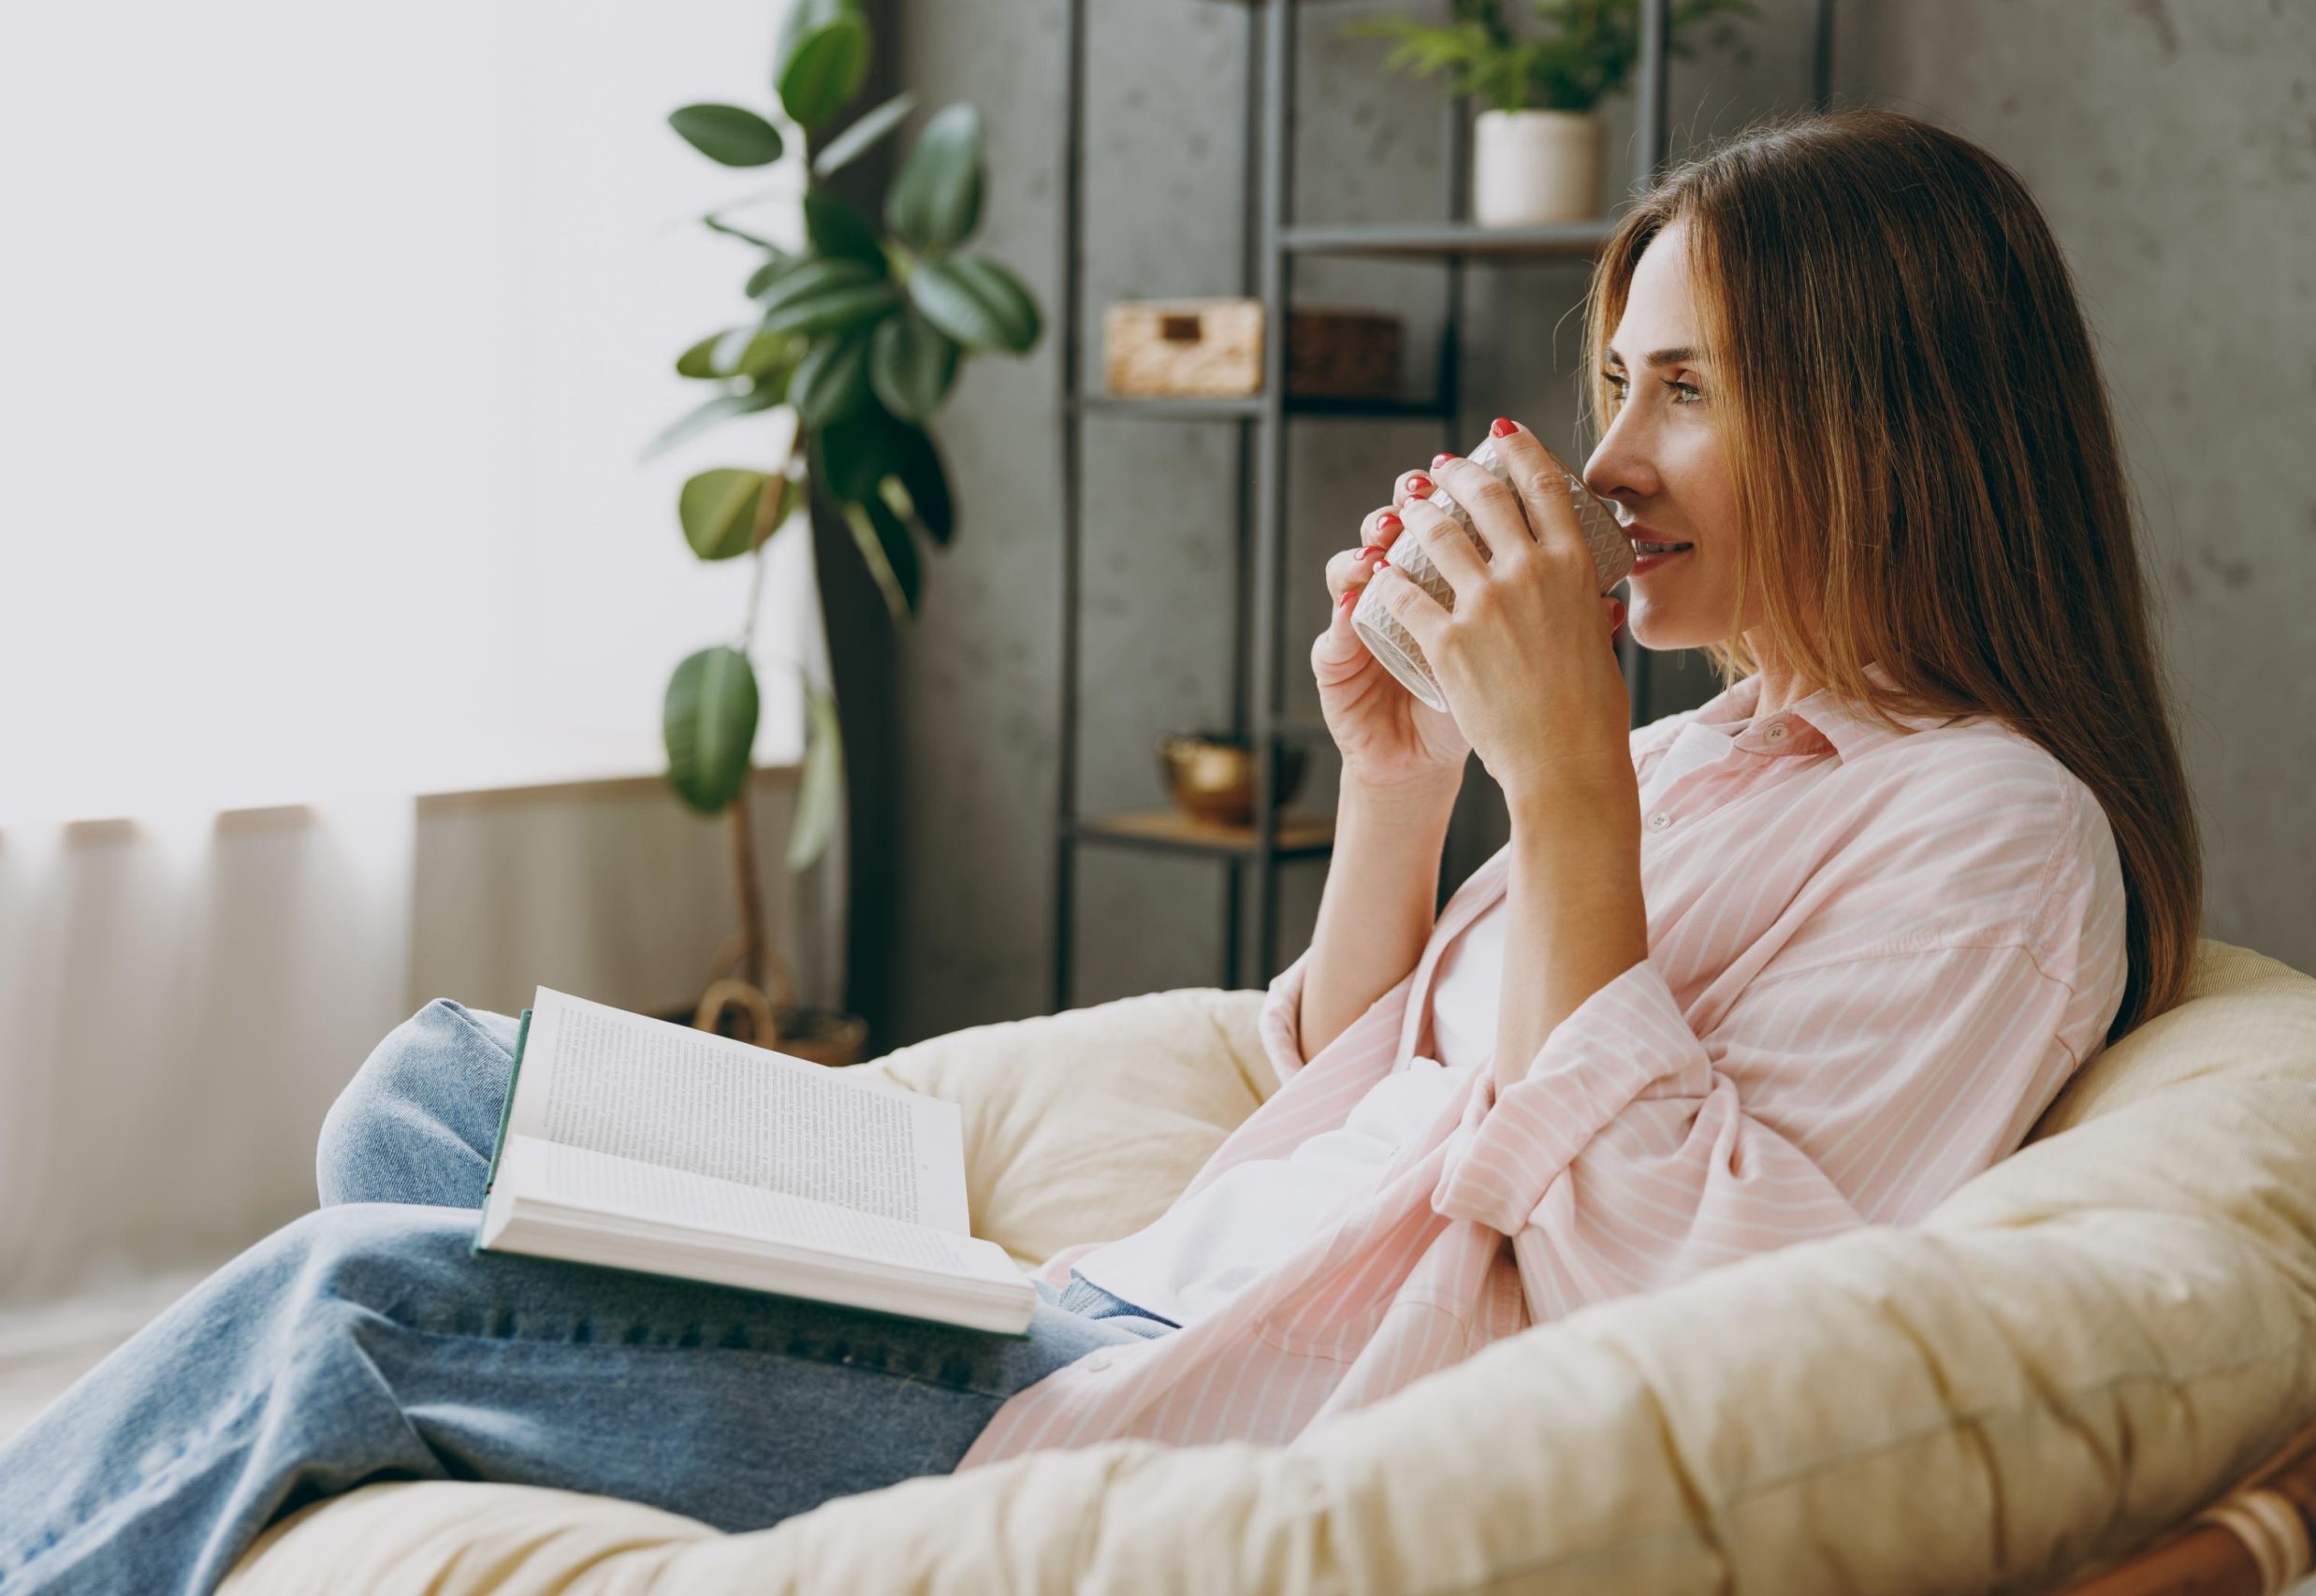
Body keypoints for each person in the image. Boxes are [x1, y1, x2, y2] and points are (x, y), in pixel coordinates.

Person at [0, 104, 2199, 1591]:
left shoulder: (1996, 836)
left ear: (1893, 407)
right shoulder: (1737, 748)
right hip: (1112, 1275)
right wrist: (1409, 779)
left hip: (1152, 1398)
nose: (1611, 458)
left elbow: (1721, 1311)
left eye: (1686, 391)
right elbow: (1357, 1080)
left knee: (350, 1304)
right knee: (424, 1082)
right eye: (1611, 383)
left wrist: (1568, 789)